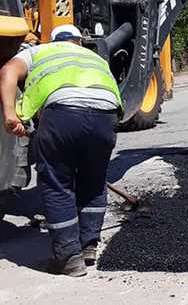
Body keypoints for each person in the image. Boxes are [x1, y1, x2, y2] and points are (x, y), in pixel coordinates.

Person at [0, 24, 122, 277]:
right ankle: (89, 245)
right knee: (94, 180)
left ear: (53, 39)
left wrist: (11, 114)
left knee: (58, 183)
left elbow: (8, 70)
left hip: (64, 113)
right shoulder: (93, 57)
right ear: (79, 40)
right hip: (106, 116)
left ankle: (68, 258)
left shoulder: (38, 51)